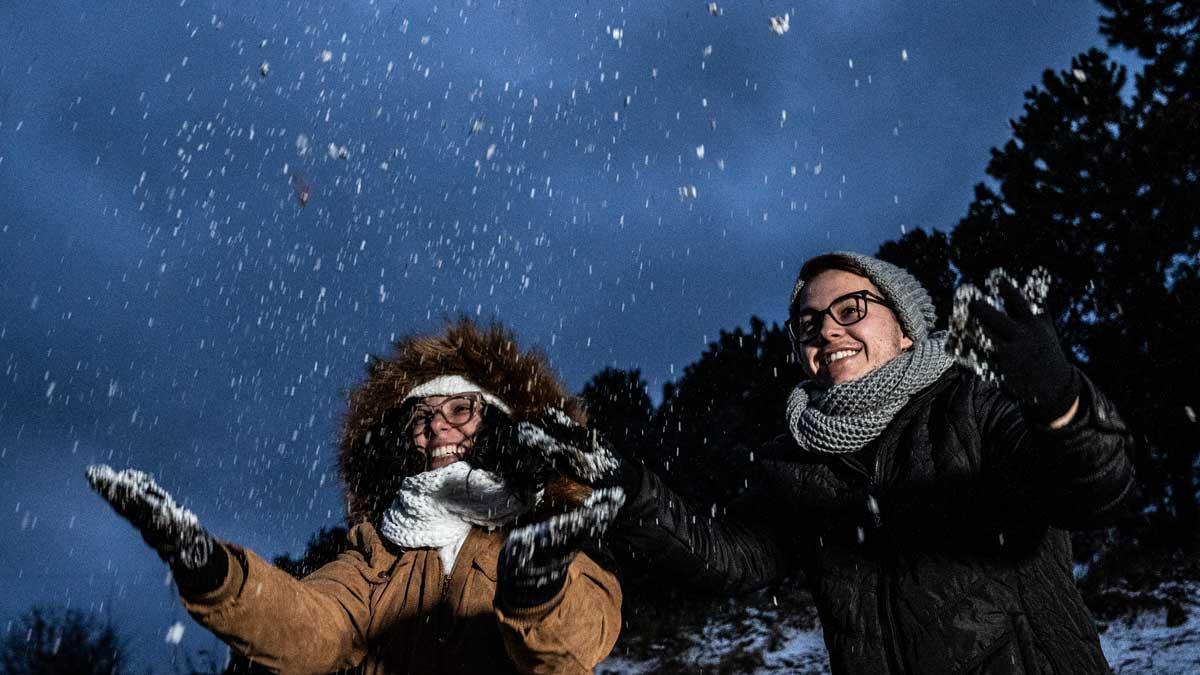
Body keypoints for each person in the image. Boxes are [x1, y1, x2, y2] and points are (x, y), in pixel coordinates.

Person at [522, 252, 1135, 674]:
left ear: (908, 331)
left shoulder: (973, 407)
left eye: (851, 310)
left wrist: (1062, 404)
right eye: (808, 323)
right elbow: (727, 557)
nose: (826, 332)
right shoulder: (800, 463)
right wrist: (634, 495)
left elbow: (1097, 490)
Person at [87, 318, 623, 675]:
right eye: (422, 418)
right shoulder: (377, 553)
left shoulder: (539, 537)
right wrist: (208, 569)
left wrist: (536, 590)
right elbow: (310, 625)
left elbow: (587, 634)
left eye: (460, 409)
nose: (436, 429)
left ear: (500, 424)